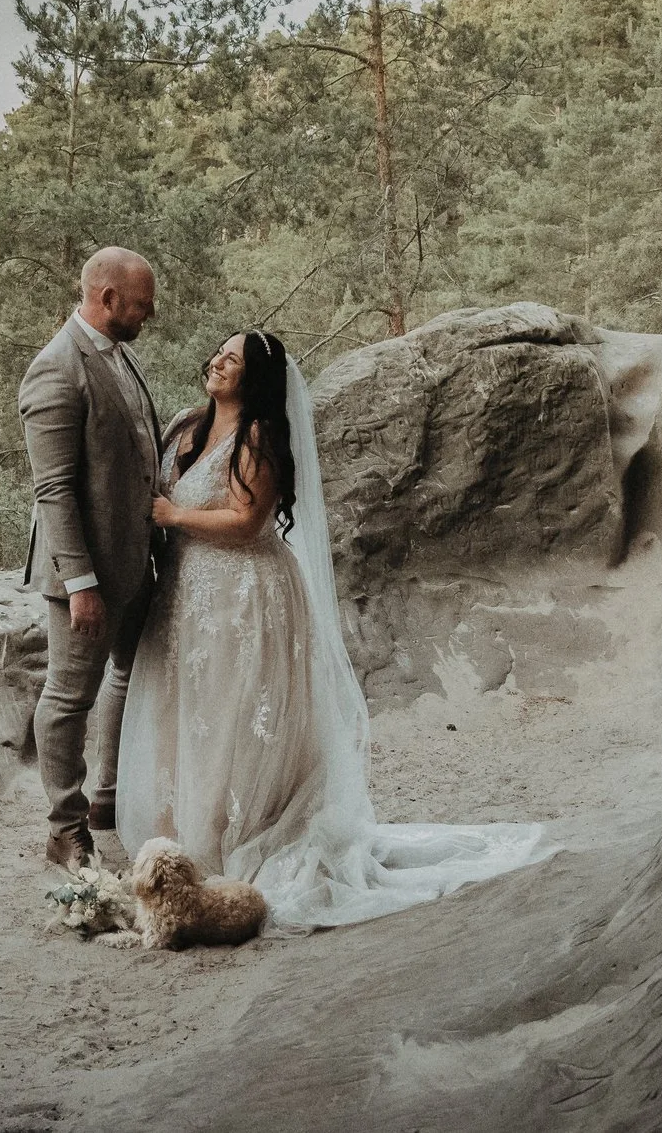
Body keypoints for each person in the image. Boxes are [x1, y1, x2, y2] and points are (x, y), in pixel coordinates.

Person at [115, 329, 550, 929]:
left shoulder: (259, 436)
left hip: (246, 594)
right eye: (218, 350)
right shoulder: (190, 426)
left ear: (255, 378)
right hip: (191, 594)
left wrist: (173, 514)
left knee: (238, 717)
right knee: (192, 711)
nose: (217, 361)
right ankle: (186, 837)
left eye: (232, 359)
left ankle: (235, 837)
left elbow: (247, 522)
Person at [20, 246, 164, 871]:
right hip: (86, 577)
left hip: (135, 563)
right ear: (107, 299)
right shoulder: (55, 369)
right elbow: (52, 489)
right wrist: (81, 583)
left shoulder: (119, 354)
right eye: (141, 304)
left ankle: (105, 798)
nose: (149, 314)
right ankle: (64, 827)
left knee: (129, 676)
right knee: (68, 697)